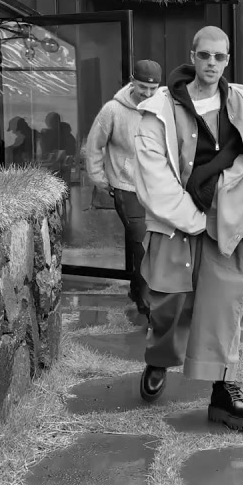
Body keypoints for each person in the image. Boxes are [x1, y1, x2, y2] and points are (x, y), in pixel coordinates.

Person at [133, 26, 243, 432]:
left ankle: (223, 390)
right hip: (174, 222)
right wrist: (194, 218)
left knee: (222, 303)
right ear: (193, 56)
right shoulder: (158, 109)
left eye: (220, 56)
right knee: (168, 305)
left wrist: (222, 201)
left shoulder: (242, 101)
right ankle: (159, 358)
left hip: (223, 219)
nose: (212, 63)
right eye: (205, 55)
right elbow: (153, 177)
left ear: (228, 60)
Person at [85, 60, 164, 318]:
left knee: (152, 243)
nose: (147, 94)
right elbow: (94, 145)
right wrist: (99, 178)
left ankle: (136, 289)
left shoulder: (163, 107)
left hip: (157, 188)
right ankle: (147, 305)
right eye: (142, 87)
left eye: (153, 89)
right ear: (132, 81)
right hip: (126, 187)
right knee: (143, 244)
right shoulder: (112, 110)